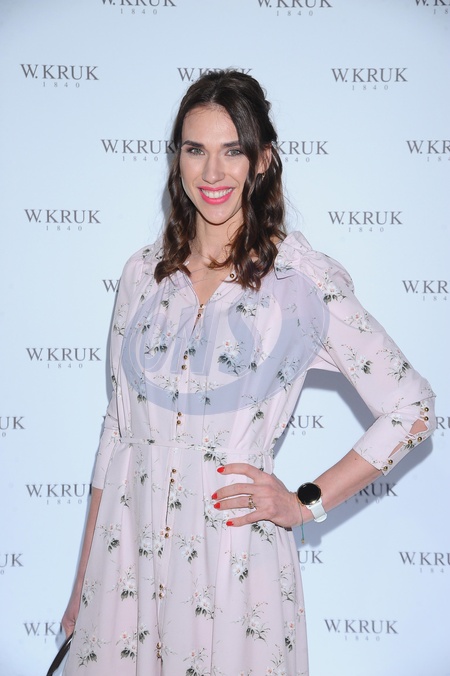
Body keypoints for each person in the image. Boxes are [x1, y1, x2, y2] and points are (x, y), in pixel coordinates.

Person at [61, 70, 435, 675]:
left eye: (232, 151)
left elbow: (412, 407)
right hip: (126, 559)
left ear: (262, 160)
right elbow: (117, 430)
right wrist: (85, 579)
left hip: (233, 560)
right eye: (196, 149)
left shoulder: (299, 281)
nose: (212, 172)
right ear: (177, 158)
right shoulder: (141, 274)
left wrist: (304, 503)